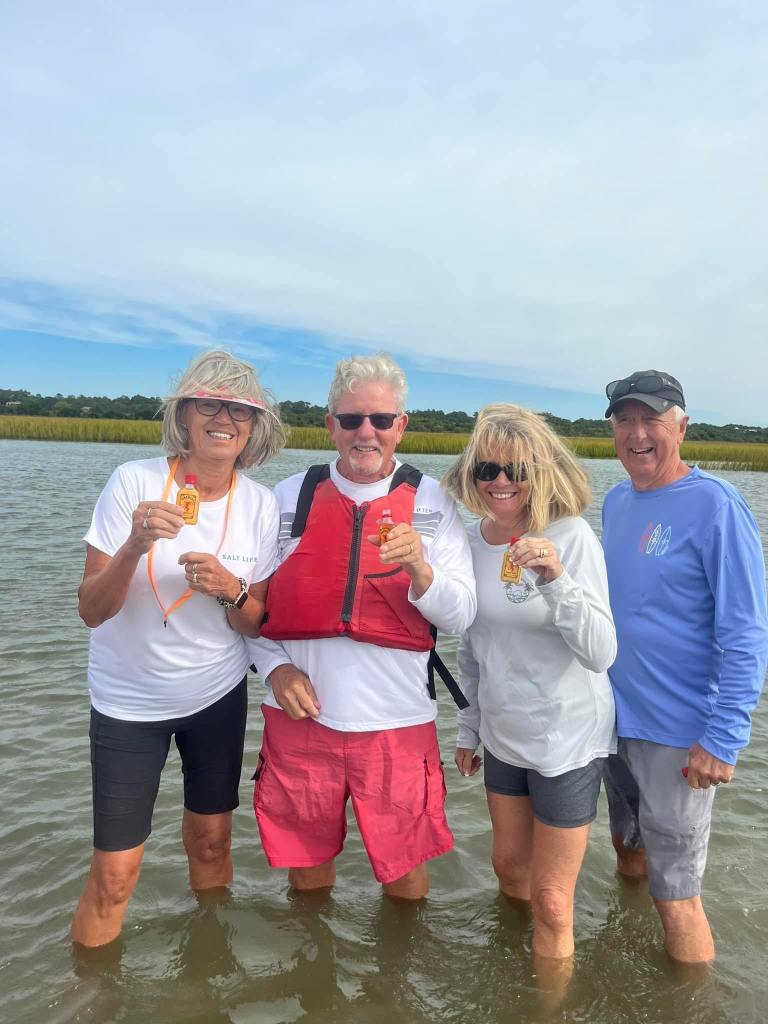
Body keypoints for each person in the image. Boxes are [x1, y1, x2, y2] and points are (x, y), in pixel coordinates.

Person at [71, 349, 284, 947]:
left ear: (255, 426)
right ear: (184, 413)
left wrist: (231, 588)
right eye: (208, 404)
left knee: (213, 844)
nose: (224, 418)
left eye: (239, 410)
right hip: (127, 704)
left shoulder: (261, 504)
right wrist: (134, 546)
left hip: (215, 697)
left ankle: (208, 972)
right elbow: (91, 611)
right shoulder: (134, 482)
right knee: (115, 877)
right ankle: (91, 990)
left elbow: (256, 623)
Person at [248, 352, 476, 899]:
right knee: (306, 874)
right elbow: (249, 609)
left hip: (398, 723)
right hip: (301, 720)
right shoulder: (288, 497)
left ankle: (401, 955)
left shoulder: (433, 502)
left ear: (401, 425)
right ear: (331, 425)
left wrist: (420, 568)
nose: (365, 432)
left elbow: (462, 615)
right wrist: (275, 670)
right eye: (351, 419)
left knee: (405, 877)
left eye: (380, 419)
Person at [601, 369, 768, 963]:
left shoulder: (715, 505)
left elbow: (747, 633)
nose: (637, 433)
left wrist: (723, 739)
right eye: (624, 420)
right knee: (627, 853)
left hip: (679, 736)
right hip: (613, 724)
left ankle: (691, 999)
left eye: (651, 419)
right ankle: (626, 951)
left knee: (677, 895)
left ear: (682, 426)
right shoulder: (616, 501)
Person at [442, 404, 617, 961]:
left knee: (553, 901)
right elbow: (473, 648)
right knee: (508, 868)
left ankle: (553, 997)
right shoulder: (470, 543)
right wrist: (469, 729)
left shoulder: (571, 536)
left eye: (515, 470)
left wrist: (555, 578)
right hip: (503, 732)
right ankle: (511, 984)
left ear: (539, 472)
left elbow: (601, 652)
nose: (500, 481)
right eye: (486, 469)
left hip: (567, 736)